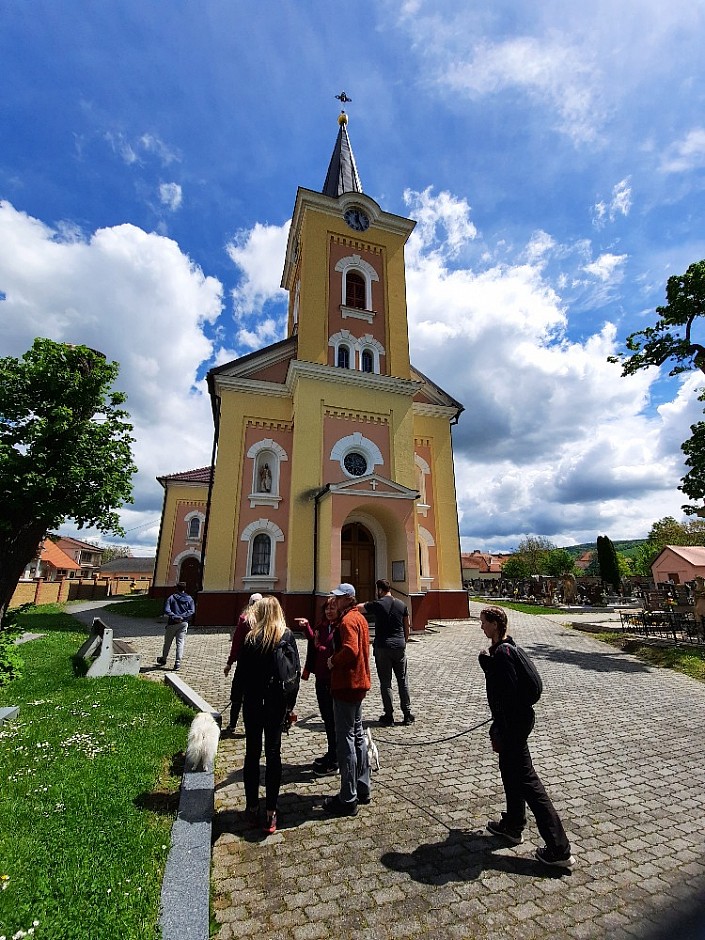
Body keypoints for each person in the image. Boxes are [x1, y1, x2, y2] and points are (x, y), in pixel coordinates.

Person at [478, 606, 575, 870]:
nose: (482, 627)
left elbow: (507, 694)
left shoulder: (502, 655)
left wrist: (500, 726)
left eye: (484, 622)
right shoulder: (508, 648)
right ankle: (513, 824)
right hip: (514, 722)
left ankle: (559, 847)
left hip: (512, 725)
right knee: (510, 771)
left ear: (496, 625)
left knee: (527, 780)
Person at [237, 595, 300, 835]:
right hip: (276, 705)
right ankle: (271, 811)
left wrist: (236, 700)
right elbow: (294, 675)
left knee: (252, 754)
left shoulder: (251, 638)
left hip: (253, 704)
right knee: (273, 754)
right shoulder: (287, 636)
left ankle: (252, 807)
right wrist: (289, 707)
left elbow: (241, 675)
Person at [323, 583, 371, 817]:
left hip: (346, 684)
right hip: (359, 683)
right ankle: (363, 787)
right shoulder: (360, 618)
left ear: (348, 599)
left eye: (339, 598)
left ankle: (348, 797)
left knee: (347, 740)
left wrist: (333, 661)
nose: (335, 601)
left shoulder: (348, 621)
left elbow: (351, 650)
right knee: (359, 735)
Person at [358, 579, 415, 726]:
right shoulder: (402, 604)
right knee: (402, 681)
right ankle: (407, 714)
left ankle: (389, 716)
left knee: (386, 682)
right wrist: (404, 641)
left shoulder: (378, 604)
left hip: (383, 647)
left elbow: (360, 608)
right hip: (399, 646)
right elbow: (407, 625)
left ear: (379, 590)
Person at [295, 595, 338, 775]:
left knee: (334, 720)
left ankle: (335, 759)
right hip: (321, 679)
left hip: (333, 681)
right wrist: (307, 629)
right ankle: (331, 753)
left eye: (332, 608)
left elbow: (328, 649)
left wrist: (324, 652)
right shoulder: (322, 626)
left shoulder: (340, 628)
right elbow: (315, 643)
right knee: (327, 719)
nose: (329, 611)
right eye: (327, 608)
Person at [223, 592, 263, 733]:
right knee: (255, 698)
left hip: (245, 664)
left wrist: (230, 662)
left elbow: (237, 643)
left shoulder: (244, 619)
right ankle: (251, 727)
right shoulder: (266, 620)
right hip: (261, 665)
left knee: (237, 696)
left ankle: (233, 724)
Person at [157, 582, 195, 671]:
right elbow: (191, 611)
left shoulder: (172, 597)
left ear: (176, 588)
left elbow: (167, 609)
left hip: (172, 623)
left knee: (167, 643)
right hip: (183, 623)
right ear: (185, 588)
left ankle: (164, 659)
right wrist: (183, 616)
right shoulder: (189, 599)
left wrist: (174, 616)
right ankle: (177, 663)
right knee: (180, 643)